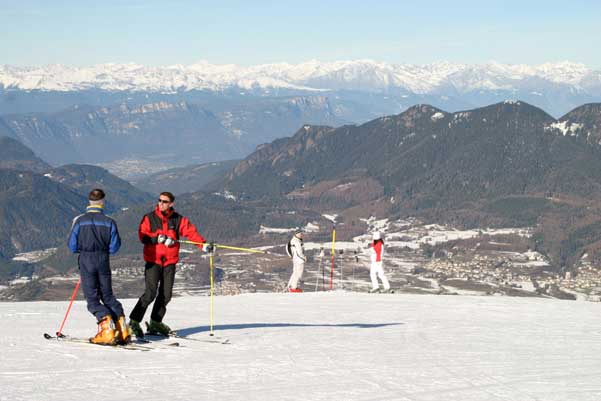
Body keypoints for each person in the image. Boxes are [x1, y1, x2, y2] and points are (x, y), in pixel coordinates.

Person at [129, 191, 208, 337]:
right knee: (150, 293)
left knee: (166, 295)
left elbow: (191, 233)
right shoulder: (149, 218)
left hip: (169, 262)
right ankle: (134, 321)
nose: (161, 203)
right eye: (159, 200)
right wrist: (157, 238)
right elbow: (143, 235)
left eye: (164, 201)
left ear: (171, 204)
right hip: (153, 261)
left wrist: (203, 245)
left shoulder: (178, 220)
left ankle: (155, 322)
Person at [68, 188, 130, 345]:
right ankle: (121, 328)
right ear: (103, 202)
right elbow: (115, 247)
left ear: (89, 202)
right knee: (108, 296)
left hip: (86, 260)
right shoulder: (109, 221)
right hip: (103, 260)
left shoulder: (80, 221)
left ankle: (107, 329)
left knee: (92, 299)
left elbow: (72, 246)